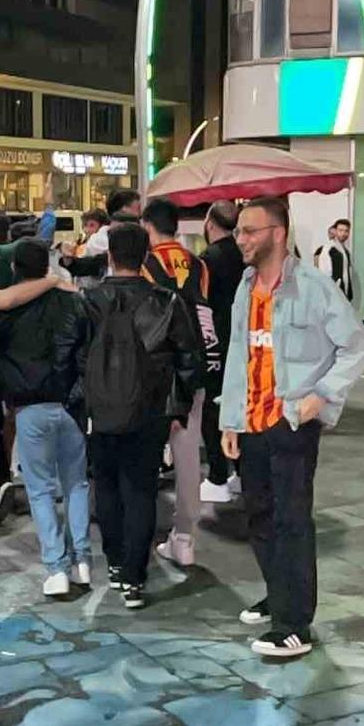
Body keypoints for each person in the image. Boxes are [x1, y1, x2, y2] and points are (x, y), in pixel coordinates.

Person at [220, 198, 364, 658]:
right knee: (259, 516)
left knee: (291, 521)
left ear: (278, 233)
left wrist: (321, 395)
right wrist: (230, 419)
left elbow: (358, 346)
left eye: (250, 231)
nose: (241, 239)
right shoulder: (245, 287)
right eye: (238, 231)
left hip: (291, 422)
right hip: (251, 421)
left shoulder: (313, 286)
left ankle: (294, 625)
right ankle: (278, 594)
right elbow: (238, 354)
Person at [79, 222, 201, 610]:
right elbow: (189, 359)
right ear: (146, 256)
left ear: (109, 255)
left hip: (99, 412)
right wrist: (179, 408)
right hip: (151, 410)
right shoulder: (167, 301)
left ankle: (115, 563)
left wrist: (80, 404)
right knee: (141, 490)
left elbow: (71, 356)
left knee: (106, 486)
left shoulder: (88, 301)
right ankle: (134, 576)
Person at [0, 238, 91, 597]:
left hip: (29, 409)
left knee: (40, 490)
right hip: (73, 406)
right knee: (76, 484)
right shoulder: (73, 301)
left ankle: (57, 568)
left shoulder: (7, 308)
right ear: (46, 266)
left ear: (15, 268)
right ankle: (83, 562)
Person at [137, 198, 210, 568]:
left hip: (156, 370)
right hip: (193, 366)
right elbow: (205, 315)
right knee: (187, 455)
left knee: (144, 452)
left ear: (147, 226)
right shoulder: (199, 264)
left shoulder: (145, 263)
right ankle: (185, 538)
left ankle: (141, 531)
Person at [198, 200, 245, 504]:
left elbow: (200, 305)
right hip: (244, 341)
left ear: (209, 223)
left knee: (212, 409)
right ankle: (241, 473)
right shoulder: (245, 254)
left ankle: (217, 476)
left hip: (215, 342)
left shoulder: (207, 260)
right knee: (241, 406)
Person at [316, 219, 354, 302]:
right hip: (334, 294)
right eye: (340, 230)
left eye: (346, 231)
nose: (343, 233)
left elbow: (346, 273)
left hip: (344, 293)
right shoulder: (328, 248)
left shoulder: (345, 251)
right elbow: (324, 272)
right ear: (335, 231)